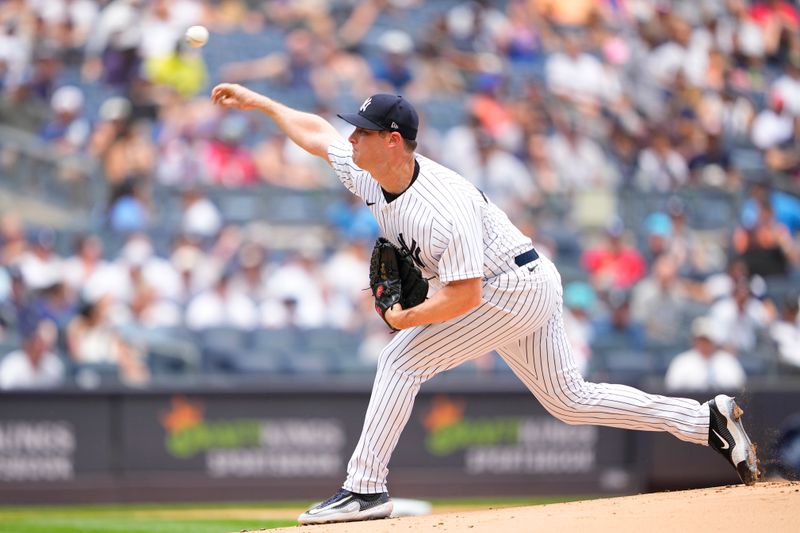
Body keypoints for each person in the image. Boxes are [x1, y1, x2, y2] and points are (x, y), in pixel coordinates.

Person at [210, 84, 761, 525]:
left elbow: (465, 295)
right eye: (355, 130)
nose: (352, 138)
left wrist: (404, 319)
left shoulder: (440, 207)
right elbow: (313, 131)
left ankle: (364, 488)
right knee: (569, 401)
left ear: (394, 140)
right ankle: (703, 419)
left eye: (365, 132)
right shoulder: (368, 170)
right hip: (527, 279)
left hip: (509, 287)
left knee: (400, 359)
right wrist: (259, 102)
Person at [665, 316, 747, 392]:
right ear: (694, 340)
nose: (704, 344)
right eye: (701, 339)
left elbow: (740, 387)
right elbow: (672, 389)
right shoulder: (682, 362)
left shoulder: (728, 361)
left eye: (707, 340)